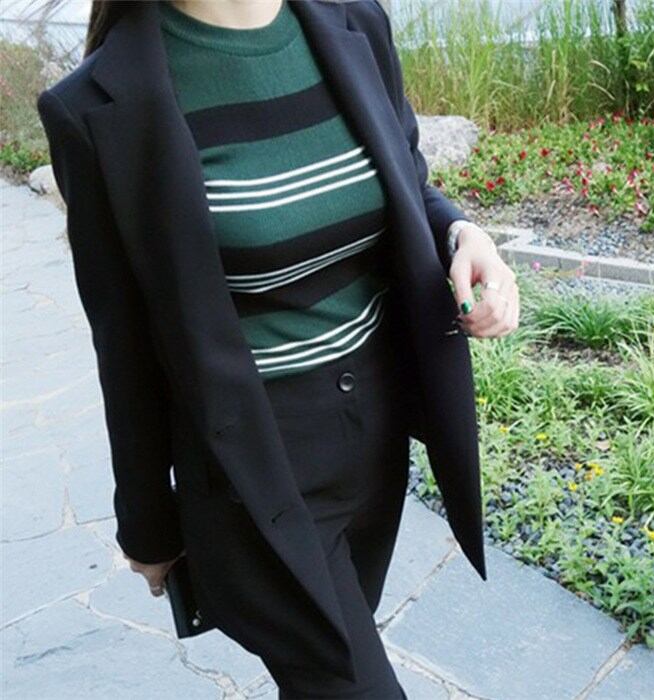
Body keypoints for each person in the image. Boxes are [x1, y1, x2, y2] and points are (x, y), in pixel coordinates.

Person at [36, 1, 519, 696]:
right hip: (254, 476)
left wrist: (463, 234)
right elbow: (124, 339)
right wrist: (146, 522)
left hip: (375, 437)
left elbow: (405, 177)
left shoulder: (353, 20)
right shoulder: (96, 104)